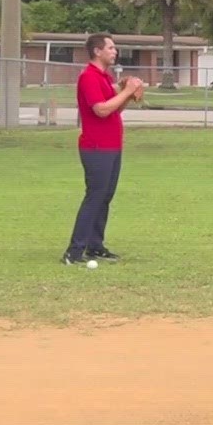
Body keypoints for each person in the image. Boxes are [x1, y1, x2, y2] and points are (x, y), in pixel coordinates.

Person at [64, 34, 143, 266]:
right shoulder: (89, 77)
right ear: (97, 51)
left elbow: (113, 110)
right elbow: (100, 110)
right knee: (95, 196)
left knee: (105, 197)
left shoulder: (104, 77)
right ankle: (74, 251)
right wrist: (126, 91)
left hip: (112, 146)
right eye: (110, 47)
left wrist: (129, 94)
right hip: (96, 147)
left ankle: (94, 246)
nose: (114, 51)